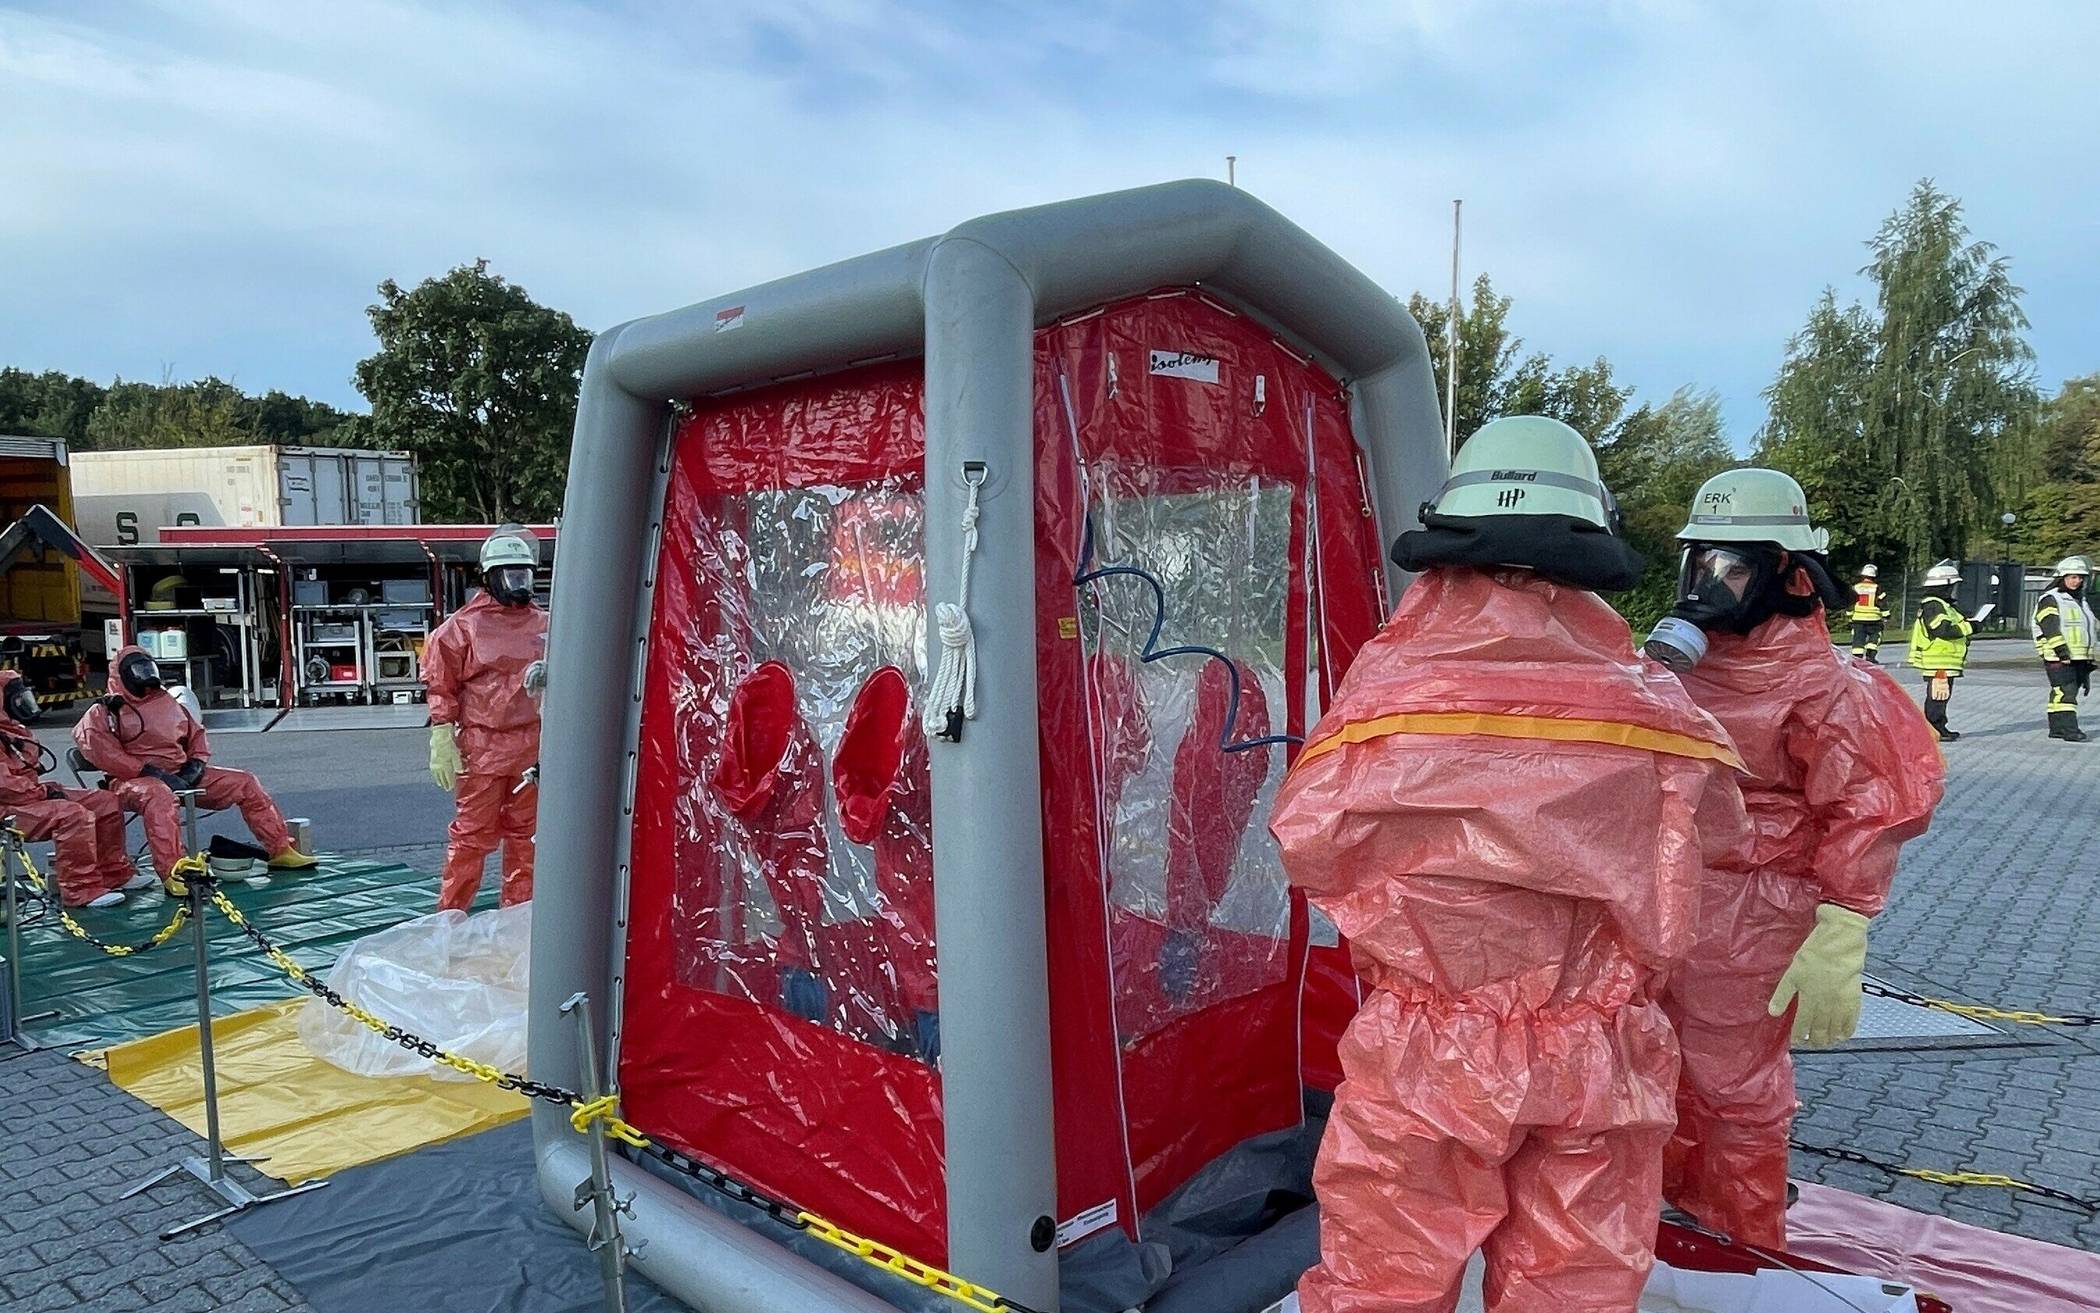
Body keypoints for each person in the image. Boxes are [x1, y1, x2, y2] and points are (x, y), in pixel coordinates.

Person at [1272, 416, 1747, 1313]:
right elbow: (1712, 843)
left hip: (1426, 1051)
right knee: (1578, 1282)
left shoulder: (1386, 695)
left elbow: (1309, 839)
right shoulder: (1659, 713)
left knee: (1382, 1282)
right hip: (1598, 1053)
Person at [1641, 469, 1942, 1250]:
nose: (1711, 584)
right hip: (1664, 895)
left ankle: (1740, 1237)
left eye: (1732, 567)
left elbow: (1875, 804)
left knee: (1732, 1083)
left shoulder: (1827, 688)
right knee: (1655, 1063)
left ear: (1788, 572)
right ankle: (1669, 1205)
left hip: (1754, 910)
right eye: (1701, 563)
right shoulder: (1681, 669)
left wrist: (1842, 925)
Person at [73, 646, 317, 878]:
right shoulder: (105, 711)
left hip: (180, 776)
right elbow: (100, 750)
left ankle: (280, 849)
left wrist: (196, 764)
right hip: (132, 783)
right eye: (139, 671)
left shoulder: (168, 701)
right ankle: (175, 871)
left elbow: (197, 735)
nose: (146, 676)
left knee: (245, 782)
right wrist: (148, 771)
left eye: (148, 669)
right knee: (159, 796)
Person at [426, 527, 547, 911]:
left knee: (527, 838)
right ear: (490, 577)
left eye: (524, 575)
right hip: (483, 747)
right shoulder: (462, 628)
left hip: (533, 745)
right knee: (472, 837)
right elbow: (440, 684)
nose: (519, 584)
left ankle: (520, 918)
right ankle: (451, 919)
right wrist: (442, 734)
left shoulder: (546, 624)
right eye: (511, 576)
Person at [0, 670, 141, 907]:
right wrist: (44, 793)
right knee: (72, 815)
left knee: (104, 802)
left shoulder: (13, 730)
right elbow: (5, 786)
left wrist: (43, 791)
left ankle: (114, 873)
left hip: (27, 797)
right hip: (7, 808)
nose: (22, 704)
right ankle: (80, 890)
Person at [2032, 555, 2095, 742]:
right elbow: (2049, 627)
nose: (2077, 581)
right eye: (2073, 577)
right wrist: (2062, 652)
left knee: (2063, 691)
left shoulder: (2079, 600)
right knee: (2065, 691)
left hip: (2076, 656)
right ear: (2062, 577)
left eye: (2080, 577)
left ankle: (2057, 728)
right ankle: (2070, 729)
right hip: (2059, 655)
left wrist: (2088, 658)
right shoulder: (2051, 599)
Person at [1907, 561, 1972, 742]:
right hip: (1939, 660)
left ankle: (1938, 727)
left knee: (1940, 695)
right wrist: (1970, 627)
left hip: (1942, 660)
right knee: (1938, 695)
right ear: (1946, 585)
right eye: (1952, 586)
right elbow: (1942, 630)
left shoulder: (1940, 605)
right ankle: (1934, 729)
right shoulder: (1934, 605)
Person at [1848, 562, 1884, 662]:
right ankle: (1870, 656)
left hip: (1858, 619)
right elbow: (1882, 602)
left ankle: (1857, 659)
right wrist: (1886, 615)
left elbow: (1850, 603)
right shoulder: (1877, 588)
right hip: (1874, 619)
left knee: (1858, 639)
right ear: (1874, 576)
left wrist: (1850, 616)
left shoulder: (1855, 587)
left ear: (1862, 575)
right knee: (1875, 637)